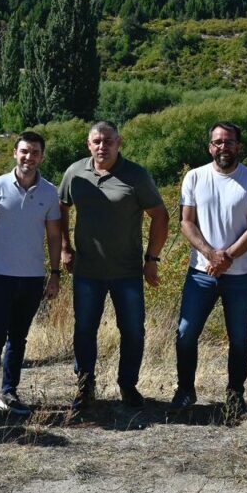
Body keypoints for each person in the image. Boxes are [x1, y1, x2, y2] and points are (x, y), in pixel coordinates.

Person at [59, 121, 169, 410]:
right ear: (88, 144)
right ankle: (85, 386)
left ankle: (128, 385)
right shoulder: (75, 172)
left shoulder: (136, 175)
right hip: (87, 271)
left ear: (119, 143)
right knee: (85, 329)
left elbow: (160, 215)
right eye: (96, 141)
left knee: (132, 330)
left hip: (127, 271)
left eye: (108, 141)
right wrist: (65, 248)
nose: (102, 147)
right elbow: (60, 208)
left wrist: (152, 259)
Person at [172, 122, 247, 418]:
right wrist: (211, 255)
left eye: (228, 142)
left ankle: (235, 394)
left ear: (239, 146)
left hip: (241, 274)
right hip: (201, 273)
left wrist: (227, 257)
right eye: (217, 142)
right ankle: (185, 390)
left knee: (239, 338)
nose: (223, 147)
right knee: (186, 333)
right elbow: (186, 222)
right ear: (210, 147)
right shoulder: (195, 177)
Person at [0, 131, 62, 427]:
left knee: (18, 339)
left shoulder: (49, 192)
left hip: (32, 279)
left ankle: (8, 393)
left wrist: (55, 274)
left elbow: (54, 236)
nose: (28, 157)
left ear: (41, 157)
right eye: (24, 151)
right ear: (14, 153)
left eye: (34, 152)